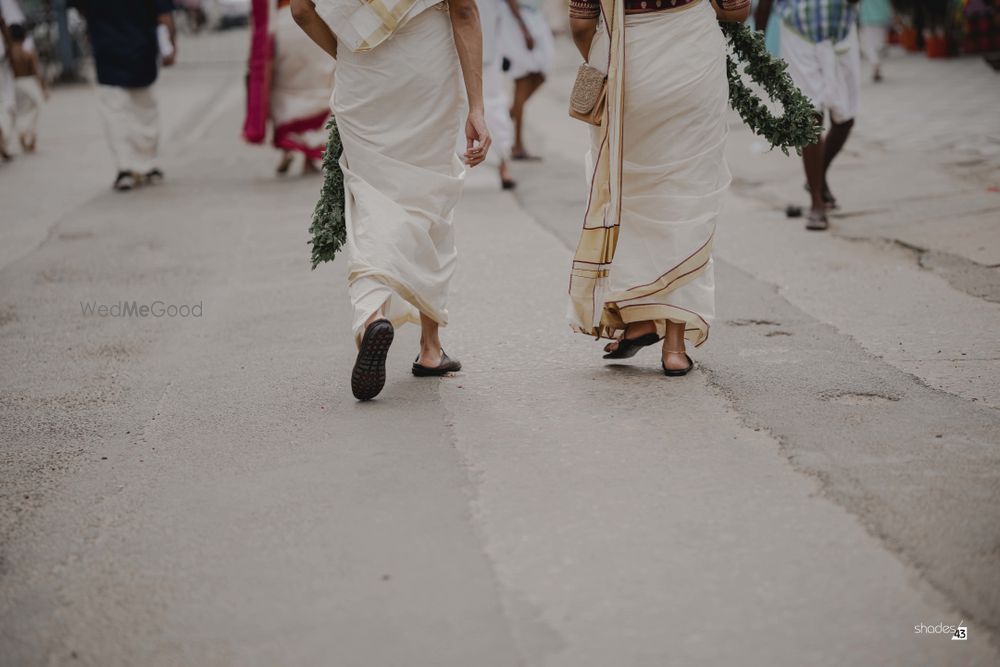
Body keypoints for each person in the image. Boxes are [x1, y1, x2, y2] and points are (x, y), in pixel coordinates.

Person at [290, 0, 491, 401]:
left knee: (368, 192)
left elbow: (300, 9)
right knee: (430, 192)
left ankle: (370, 314)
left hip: (364, 73)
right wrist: (478, 106)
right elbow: (464, 9)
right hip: (427, 66)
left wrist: (346, 52)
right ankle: (431, 348)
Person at [567, 0, 731, 376]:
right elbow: (736, 9)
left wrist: (610, 51)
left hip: (630, 62)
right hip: (693, 57)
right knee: (688, 194)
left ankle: (637, 313)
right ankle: (674, 345)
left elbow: (580, 23)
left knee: (631, 192)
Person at [756, 0, 860, 230]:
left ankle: (818, 177)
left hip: (840, 30)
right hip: (798, 31)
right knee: (810, 115)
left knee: (846, 118)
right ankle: (816, 202)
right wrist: (757, 47)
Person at [70, 0, 177, 191]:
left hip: (107, 50)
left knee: (114, 112)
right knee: (144, 109)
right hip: (141, 49)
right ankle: (145, 163)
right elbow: (164, 16)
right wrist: (171, 46)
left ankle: (124, 167)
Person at [243, 0, 335, 175]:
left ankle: (288, 148)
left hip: (283, 24)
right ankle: (310, 152)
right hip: (314, 22)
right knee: (318, 83)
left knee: (281, 87)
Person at [499, 0, 554, 160]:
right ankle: (517, 145)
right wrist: (523, 28)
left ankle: (509, 115)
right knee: (523, 78)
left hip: (535, 17)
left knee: (541, 74)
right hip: (519, 19)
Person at [480, 0, 516, 188]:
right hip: (459, 49)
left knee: (494, 106)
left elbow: (502, 16)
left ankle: (504, 165)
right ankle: (504, 166)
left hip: (490, 52)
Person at [8, 23, 46, 153]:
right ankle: (28, 133)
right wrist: (43, 90)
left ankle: (21, 131)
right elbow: (36, 73)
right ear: (24, 37)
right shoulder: (28, 53)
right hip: (28, 84)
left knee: (18, 112)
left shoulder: (8, 56)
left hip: (13, 85)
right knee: (35, 109)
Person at [859, 0, 891, 82]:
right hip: (882, 17)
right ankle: (876, 64)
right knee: (878, 44)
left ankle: (875, 64)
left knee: (869, 44)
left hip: (868, 18)